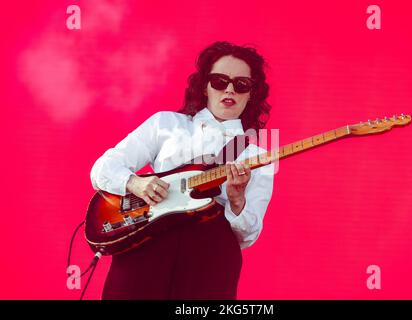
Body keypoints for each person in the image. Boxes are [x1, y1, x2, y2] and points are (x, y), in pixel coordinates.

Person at [90, 41, 274, 300]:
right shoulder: (166, 123)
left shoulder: (256, 156)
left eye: (241, 84)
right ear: (205, 87)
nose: (229, 89)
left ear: (251, 93)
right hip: (147, 243)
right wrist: (136, 184)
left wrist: (236, 199)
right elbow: (103, 168)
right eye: (220, 81)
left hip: (210, 259)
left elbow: (247, 236)